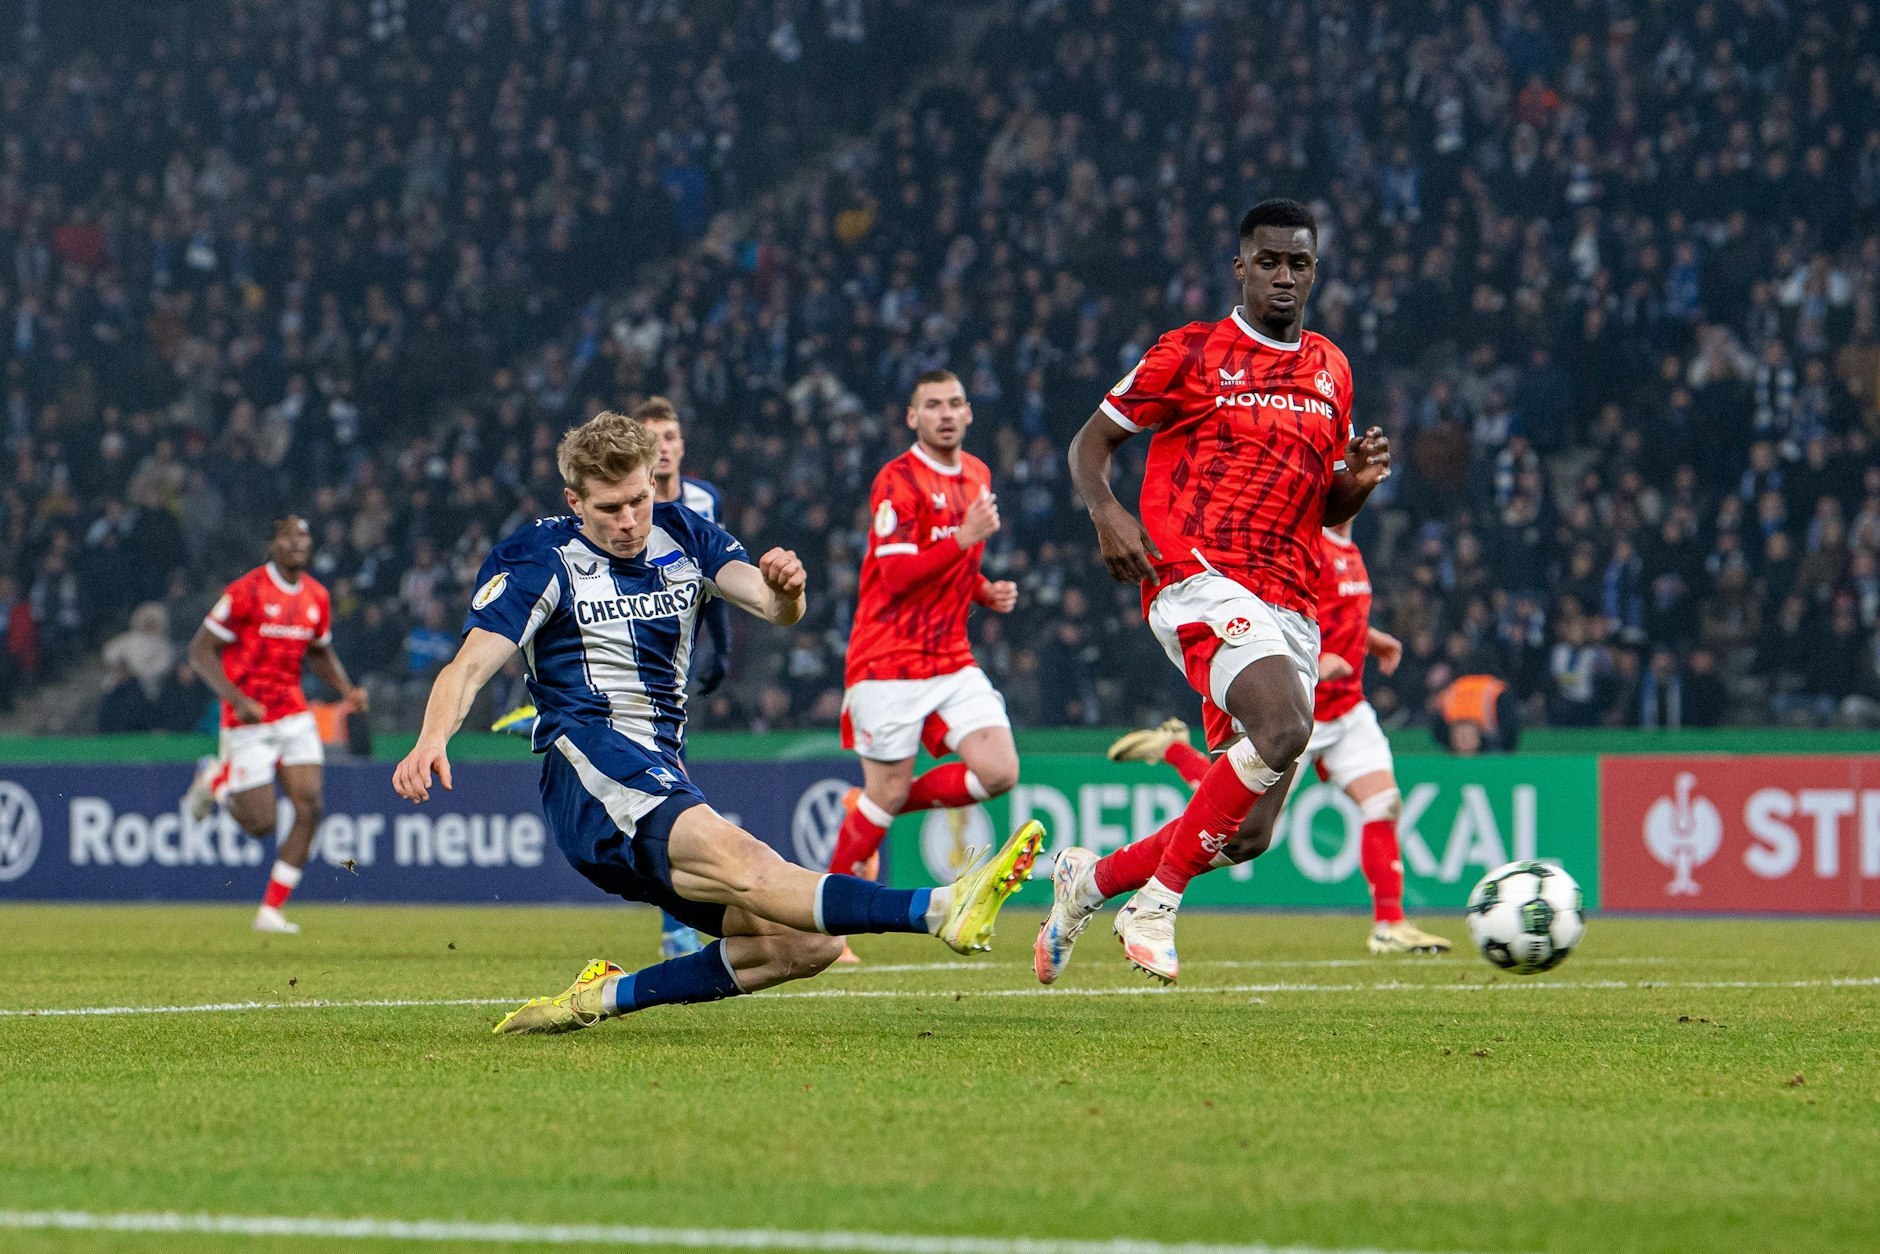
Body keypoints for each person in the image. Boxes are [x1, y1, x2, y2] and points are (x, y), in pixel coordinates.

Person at [391, 411, 1041, 1035]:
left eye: (638, 501)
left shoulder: (687, 533)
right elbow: (469, 666)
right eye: (609, 508)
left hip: (662, 774)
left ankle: (604, 995)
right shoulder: (538, 556)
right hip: (592, 774)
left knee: (803, 947)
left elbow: (768, 602)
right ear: (574, 500)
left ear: (654, 481)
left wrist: (788, 590)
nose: (628, 521)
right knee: (755, 864)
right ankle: (937, 908)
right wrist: (431, 737)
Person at [1039, 198, 1391, 984]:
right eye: (1268, 261)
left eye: (1298, 263)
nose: (1283, 277)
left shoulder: (1332, 369)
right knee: (1289, 722)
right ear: (1240, 267)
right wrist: (1107, 514)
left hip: (1290, 598)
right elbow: (1091, 441)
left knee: (1249, 834)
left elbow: (1323, 502)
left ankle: (1091, 882)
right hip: (1195, 573)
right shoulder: (1192, 352)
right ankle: (1155, 904)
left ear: (1314, 271)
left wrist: (1356, 487)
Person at [1107, 522, 1450, 955]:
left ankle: (1390, 924)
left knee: (1384, 803)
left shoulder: (1350, 548)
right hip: (1297, 709)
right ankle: (1174, 751)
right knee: (1236, 821)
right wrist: (1318, 661)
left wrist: (1371, 640)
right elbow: (1283, 612)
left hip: (1347, 705)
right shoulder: (1305, 541)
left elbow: (1339, 615)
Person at [494, 396, 736, 961]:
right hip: (613, 681)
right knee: (658, 800)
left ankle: (682, 917)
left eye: (674, 435)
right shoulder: (582, 532)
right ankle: (542, 709)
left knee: (668, 782)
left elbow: (718, 580)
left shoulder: (702, 506)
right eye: (659, 435)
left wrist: (718, 650)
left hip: (668, 664)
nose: (668, 445)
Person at [826, 369, 1021, 961]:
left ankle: (877, 804)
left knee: (998, 770)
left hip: (951, 657)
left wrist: (982, 590)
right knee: (884, 795)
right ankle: (823, 925)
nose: (945, 413)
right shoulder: (896, 480)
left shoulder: (978, 473)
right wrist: (963, 539)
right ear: (913, 417)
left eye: (955, 403)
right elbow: (897, 573)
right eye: (932, 405)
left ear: (968, 414)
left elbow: (952, 566)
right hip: (887, 660)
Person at [182, 517, 369, 933]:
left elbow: (319, 651)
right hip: (247, 719)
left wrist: (346, 689)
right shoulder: (245, 591)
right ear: (271, 544)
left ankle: (270, 911)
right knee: (261, 823)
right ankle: (215, 779)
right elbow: (199, 651)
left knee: (310, 805)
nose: (298, 542)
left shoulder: (317, 596)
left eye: (304, 535)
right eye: (288, 536)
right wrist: (236, 699)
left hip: (292, 714)